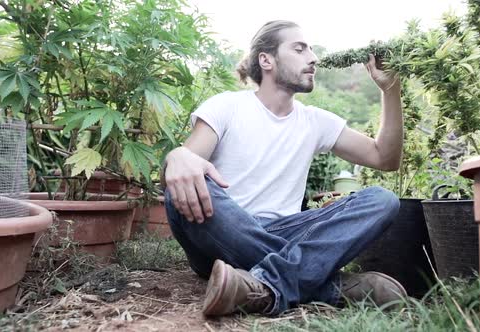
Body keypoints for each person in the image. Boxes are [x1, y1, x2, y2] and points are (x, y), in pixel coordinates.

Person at [161, 20, 406, 317]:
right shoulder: (226, 106)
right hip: (221, 231)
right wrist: (178, 156)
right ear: (266, 60)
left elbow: (385, 158)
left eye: (312, 49)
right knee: (185, 184)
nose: (313, 57)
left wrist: (390, 89)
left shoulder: (315, 121)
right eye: (300, 48)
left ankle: (259, 286)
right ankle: (332, 287)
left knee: (382, 200)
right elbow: (186, 166)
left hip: (286, 231)